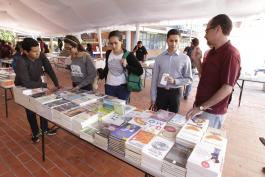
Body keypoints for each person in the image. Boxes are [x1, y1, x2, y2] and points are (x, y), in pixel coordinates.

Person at [186, 14, 241, 129]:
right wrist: (197, 61)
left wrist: (201, 108)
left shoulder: (231, 54)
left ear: (218, 29)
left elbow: (227, 88)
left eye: (207, 30)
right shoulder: (211, 52)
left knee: (203, 145)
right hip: (200, 107)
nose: (205, 35)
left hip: (212, 112)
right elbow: (204, 77)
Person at [15, 38, 60, 143]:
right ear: (26, 52)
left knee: (43, 105)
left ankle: (44, 128)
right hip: (24, 87)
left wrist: (57, 84)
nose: (38, 53)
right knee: (31, 109)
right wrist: (45, 85)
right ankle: (35, 132)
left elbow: (49, 69)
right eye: (34, 52)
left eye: (38, 50)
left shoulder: (41, 55)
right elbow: (26, 83)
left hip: (37, 83)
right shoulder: (21, 62)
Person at [150, 29, 192, 113]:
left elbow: (189, 79)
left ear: (179, 41)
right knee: (159, 117)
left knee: (173, 118)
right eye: (171, 41)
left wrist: (175, 81)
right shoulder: (159, 58)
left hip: (175, 93)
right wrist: (153, 98)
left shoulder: (185, 58)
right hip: (161, 92)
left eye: (176, 41)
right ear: (167, 40)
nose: (173, 44)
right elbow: (154, 80)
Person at [98, 30, 143, 101]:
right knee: (109, 108)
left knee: (121, 110)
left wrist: (127, 66)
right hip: (109, 86)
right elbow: (107, 68)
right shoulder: (108, 53)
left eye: (116, 43)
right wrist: (99, 77)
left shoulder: (128, 55)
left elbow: (140, 71)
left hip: (123, 88)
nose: (113, 46)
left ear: (121, 41)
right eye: (111, 43)